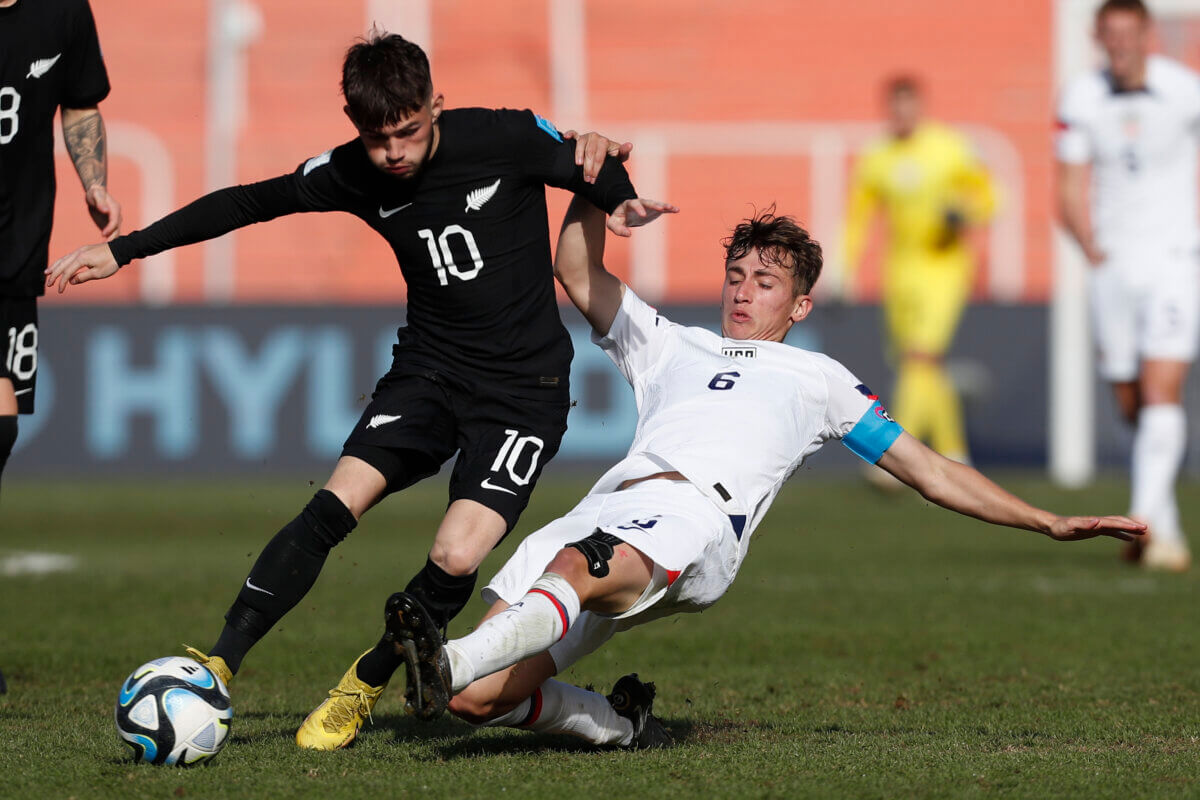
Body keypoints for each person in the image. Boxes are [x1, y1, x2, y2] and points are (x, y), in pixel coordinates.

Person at [44, 31, 664, 741]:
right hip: (429, 371)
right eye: (376, 139)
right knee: (334, 505)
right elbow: (251, 201)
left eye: (408, 131)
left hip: (524, 391)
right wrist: (122, 251)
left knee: (456, 555)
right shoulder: (353, 172)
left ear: (436, 104)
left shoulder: (505, 135)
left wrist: (619, 197)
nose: (394, 152)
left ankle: (364, 680)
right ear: (354, 126)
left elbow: (592, 159)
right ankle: (218, 664)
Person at [376, 187, 1143, 751]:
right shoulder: (670, 342)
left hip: (696, 522)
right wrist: (593, 186)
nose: (744, 293)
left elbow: (930, 470)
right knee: (476, 703)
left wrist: (1046, 520)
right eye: (737, 275)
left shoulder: (821, 381)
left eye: (765, 282)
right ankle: (613, 724)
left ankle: (444, 656)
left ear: (800, 305)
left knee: (569, 577)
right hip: (606, 506)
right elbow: (576, 271)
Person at [2, 0, 121, 697]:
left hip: (15, 261)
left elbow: (78, 104)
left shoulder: (61, 13)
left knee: (2, 431)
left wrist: (94, 181)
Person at [1057, 0, 1195, 572]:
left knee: (1162, 390)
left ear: (1147, 35)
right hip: (1112, 264)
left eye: (1128, 33)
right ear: (1097, 37)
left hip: (1176, 261)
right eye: (1108, 34)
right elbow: (1067, 184)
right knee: (1131, 399)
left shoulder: (1185, 89)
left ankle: (1140, 523)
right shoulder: (1081, 96)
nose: (1118, 44)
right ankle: (1167, 526)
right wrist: (1089, 246)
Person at [842, 76, 995, 468]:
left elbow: (990, 195)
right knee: (920, 365)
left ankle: (895, 458)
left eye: (909, 105)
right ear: (888, 110)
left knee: (920, 357)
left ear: (920, 107)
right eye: (896, 106)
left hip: (945, 266)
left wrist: (967, 211)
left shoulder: (949, 147)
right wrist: (844, 270)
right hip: (901, 270)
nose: (902, 114)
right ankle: (953, 450)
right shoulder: (877, 157)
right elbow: (857, 219)